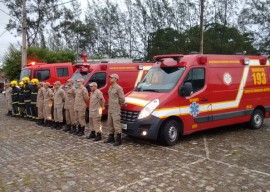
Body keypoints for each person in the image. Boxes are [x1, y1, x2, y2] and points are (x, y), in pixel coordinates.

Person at [104, 74, 125, 146]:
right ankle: (111, 137)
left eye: (111, 78)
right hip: (110, 109)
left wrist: (118, 104)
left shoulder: (119, 88)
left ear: (116, 79)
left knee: (116, 124)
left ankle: (118, 139)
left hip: (115, 109)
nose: (110, 79)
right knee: (110, 124)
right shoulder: (110, 87)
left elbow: (122, 99)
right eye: (110, 78)